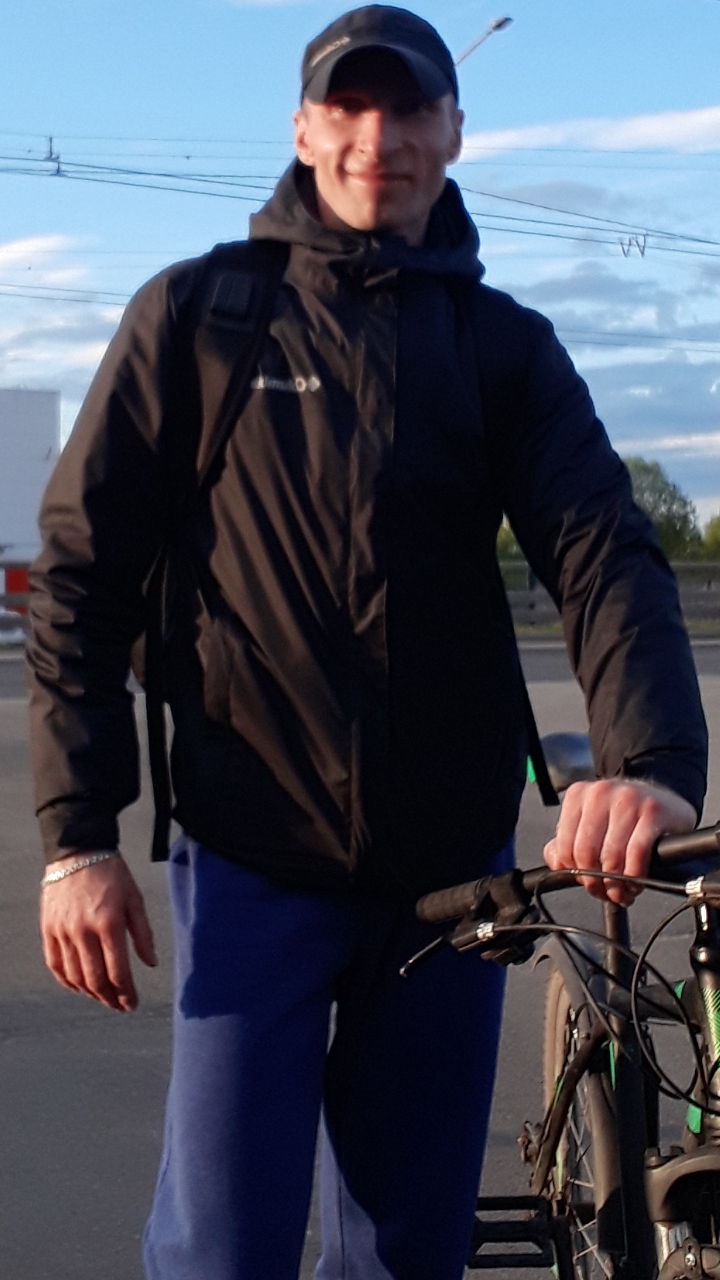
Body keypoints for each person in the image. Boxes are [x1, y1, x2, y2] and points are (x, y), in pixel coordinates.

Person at [28, 6, 707, 1279]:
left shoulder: (503, 348)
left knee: (406, 1251)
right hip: (252, 856)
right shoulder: (199, 317)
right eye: (349, 106)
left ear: (454, 132)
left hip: (448, 883)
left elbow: (605, 552)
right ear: (303, 129)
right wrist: (78, 839)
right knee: (221, 1247)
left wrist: (652, 763)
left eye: (409, 109)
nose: (377, 137)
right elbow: (79, 577)